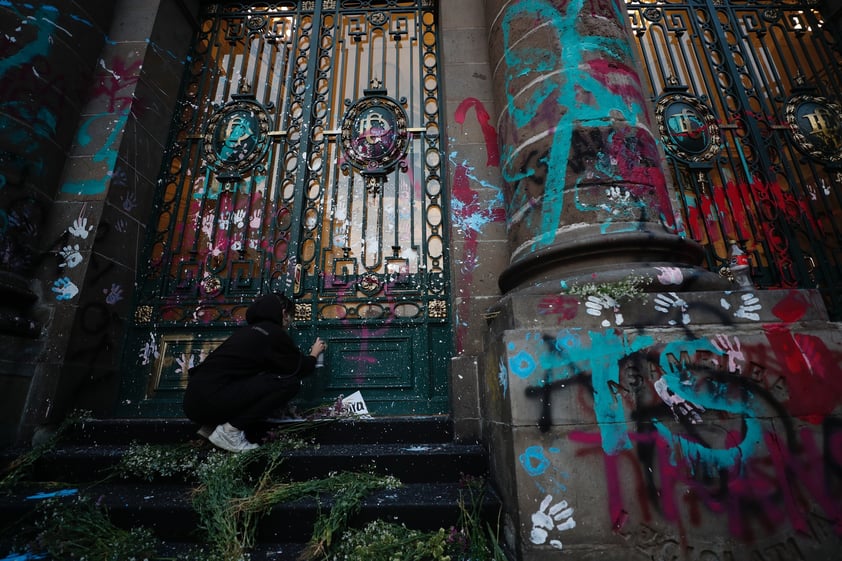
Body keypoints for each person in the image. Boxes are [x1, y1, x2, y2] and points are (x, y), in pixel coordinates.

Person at [183, 292, 326, 452]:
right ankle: (229, 432)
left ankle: (210, 428)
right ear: (284, 314)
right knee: (289, 383)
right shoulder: (271, 332)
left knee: (256, 377)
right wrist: (314, 354)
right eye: (290, 318)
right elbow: (299, 368)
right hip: (213, 400)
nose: (288, 323)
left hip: (193, 402)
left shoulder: (247, 332)